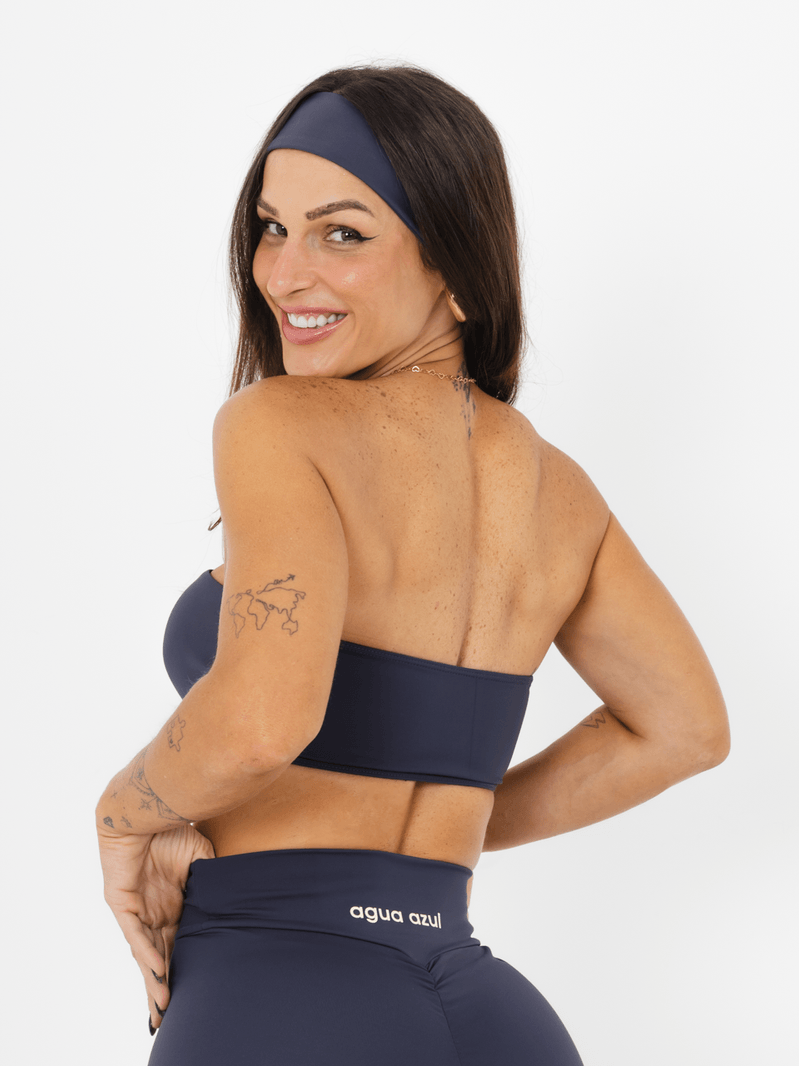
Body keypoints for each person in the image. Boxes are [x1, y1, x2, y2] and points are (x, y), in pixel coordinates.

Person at [96, 64, 730, 1065]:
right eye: (272, 227)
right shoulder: (559, 491)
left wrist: (125, 812)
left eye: (342, 233)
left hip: (279, 998)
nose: (283, 273)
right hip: (490, 1017)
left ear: (454, 263)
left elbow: (261, 722)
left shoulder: (279, 424)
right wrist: (445, 829)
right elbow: (683, 728)